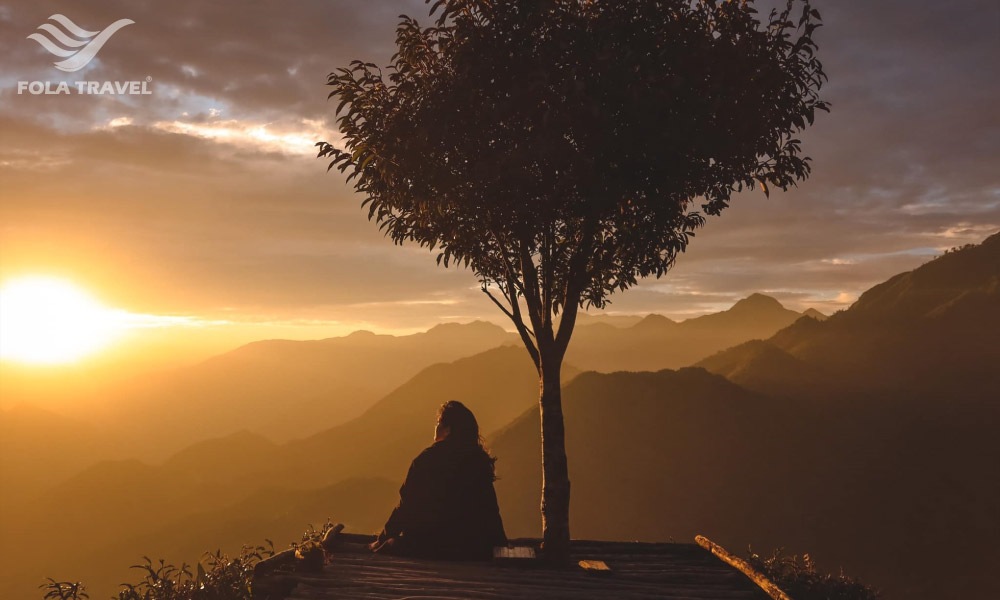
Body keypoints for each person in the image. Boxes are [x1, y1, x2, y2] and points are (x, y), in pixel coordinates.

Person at [370, 401, 506, 560]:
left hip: (429, 545)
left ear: (448, 429)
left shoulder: (427, 459)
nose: (435, 426)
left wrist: (384, 538)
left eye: (438, 422)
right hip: (471, 548)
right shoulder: (478, 461)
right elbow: (490, 509)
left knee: (393, 545)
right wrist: (500, 544)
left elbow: (407, 504)